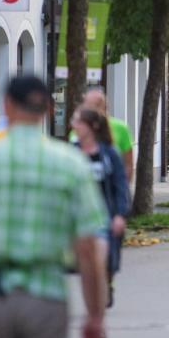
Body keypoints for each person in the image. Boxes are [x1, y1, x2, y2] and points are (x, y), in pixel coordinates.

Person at [0, 76, 109, 338]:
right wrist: (95, 315)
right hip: (46, 296)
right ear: (48, 109)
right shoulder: (71, 164)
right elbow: (88, 247)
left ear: (6, 105)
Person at [72, 109, 129, 308]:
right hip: (79, 216)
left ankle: (107, 284)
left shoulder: (109, 153)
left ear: (92, 127)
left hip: (105, 214)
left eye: (78, 122)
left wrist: (120, 215)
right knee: (86, 262)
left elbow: (120, 185)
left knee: (106, 260)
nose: (74, 126)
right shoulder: (72, 152)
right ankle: (95, 298)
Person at [79, 88, 135, 185]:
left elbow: (128, 164)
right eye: (86, 105)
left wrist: (123, 190)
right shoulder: (78, 129)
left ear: (104, 107)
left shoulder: (121, 128)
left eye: (93, 105)